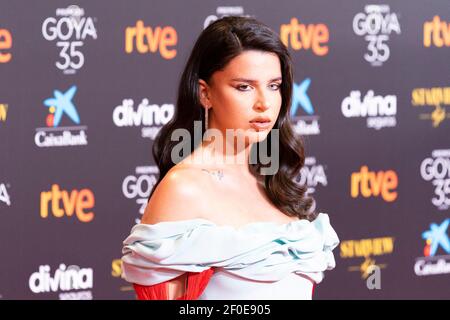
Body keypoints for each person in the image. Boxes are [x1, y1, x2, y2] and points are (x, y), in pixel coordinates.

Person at [121, 16, 339, 300]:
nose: (264, 102)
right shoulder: (183, 188)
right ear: (205, 93)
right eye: (244, 87)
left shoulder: (274, 179)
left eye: (274, 85)